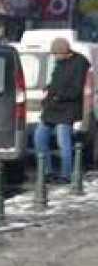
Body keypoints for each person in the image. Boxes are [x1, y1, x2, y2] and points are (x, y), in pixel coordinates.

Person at [35, 38, 91, 183]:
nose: (54, 57)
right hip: (52, 107)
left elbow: (76, 89)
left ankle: (66, 174)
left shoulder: (79, 63)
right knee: (39, 137)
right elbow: (57, 80)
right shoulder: (60, 62)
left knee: (63, 142)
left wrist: (59, 96)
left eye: (56, 54)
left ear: (64, 52)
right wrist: (49, 89)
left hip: (67, 108)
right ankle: (47, 171)